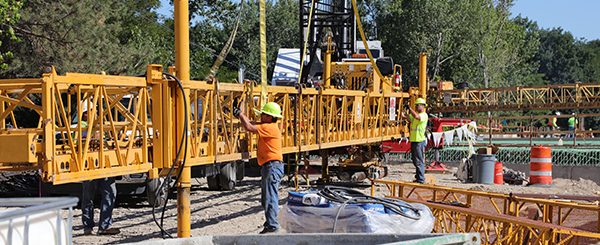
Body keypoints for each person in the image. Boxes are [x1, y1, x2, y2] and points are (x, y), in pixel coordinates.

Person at [235, 102, 284, 234]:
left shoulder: (270, 128)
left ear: (269, 117)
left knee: (270, 197)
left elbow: (249, 127)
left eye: (263, 114)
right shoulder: (268, 125)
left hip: (272, 166)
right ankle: (270, 224)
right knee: (267, 197)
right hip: (270, 167)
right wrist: (241, 115)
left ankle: (272, 225)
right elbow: (252, 123)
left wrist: (240, 114)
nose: (260, 116)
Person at [80, 110, 120, 235]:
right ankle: (88, 226)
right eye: (92, 111)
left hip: (104, 163)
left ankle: (105, 226)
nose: (96, 114)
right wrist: (93, 137)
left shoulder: (103, 125)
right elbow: (78, 141)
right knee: (88, 196)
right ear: (85, 114)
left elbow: (109, 141)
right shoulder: (81, 126)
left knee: (110, 192)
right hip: (89, 164)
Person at [401, 98, 428, 184]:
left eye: (418, 105)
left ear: (423, 106)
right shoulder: (415, 115)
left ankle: (421, 180)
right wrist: (400, 110)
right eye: (415, 105)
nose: (416, 106)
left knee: (419, 161)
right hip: (414, 141)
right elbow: (406, 116)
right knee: (415, 160)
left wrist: (409, 108)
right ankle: (418, 178)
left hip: (419, 141)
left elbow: (416, 116)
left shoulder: (424, 115)